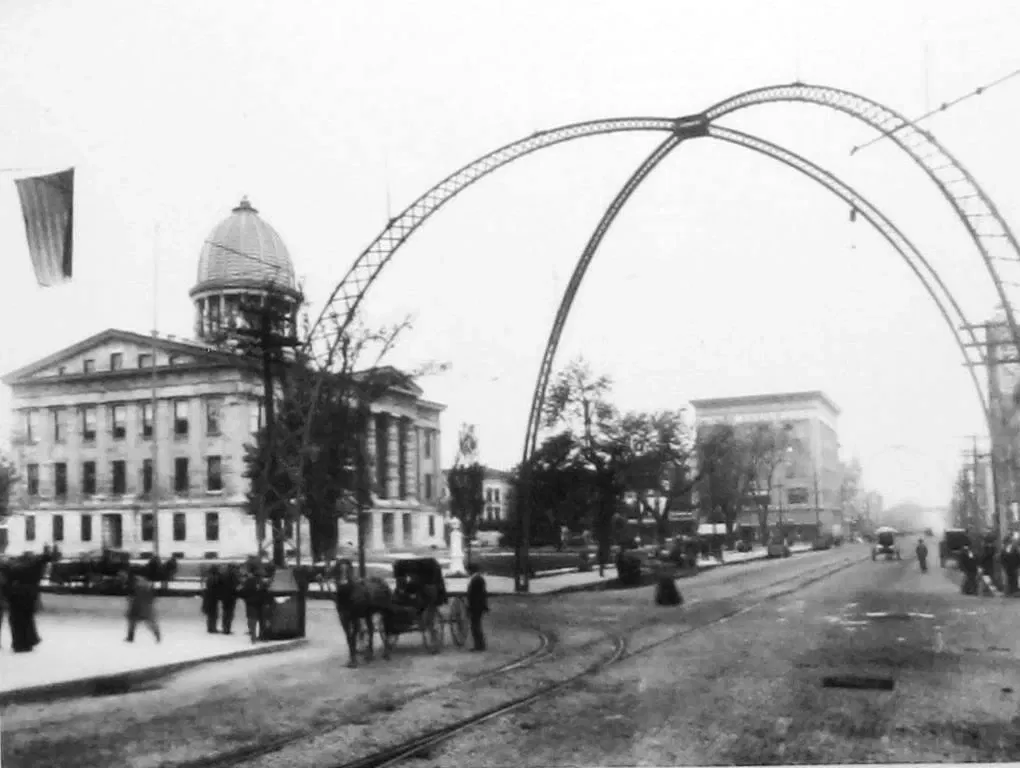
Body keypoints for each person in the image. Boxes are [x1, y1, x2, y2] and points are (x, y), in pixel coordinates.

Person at [125, 572, 161, 643]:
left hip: (144, 609)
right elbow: (132, 598)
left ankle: (157, 636)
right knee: (132, 622)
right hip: (139, 608)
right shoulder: (138, 588)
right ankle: (130, 637)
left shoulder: (146, 588)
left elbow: (132, 598)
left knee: (149, 623)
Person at [466, 563, 489, 652]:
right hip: (478, 605)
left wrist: (470, 606)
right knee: (476, 625)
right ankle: (479, 645)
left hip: (476, 606)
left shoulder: (476, 580)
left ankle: (479, 645)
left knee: (475, 626)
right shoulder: (478, 579)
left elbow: (475, 596)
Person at [219, 564, 240, 634]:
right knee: (229, 613)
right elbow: (236, 585)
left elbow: (220, 584)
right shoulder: (233, 575)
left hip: (224, 596)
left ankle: (224, 628)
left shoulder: (223, 575)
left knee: (225, 613)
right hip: (231, 597)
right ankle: (227, 629)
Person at [202, 565, 222, 633]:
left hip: (209, 597)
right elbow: (217, 586)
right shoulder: (214, 578)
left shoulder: (209, 577)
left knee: (210, 614)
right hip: (213, 598)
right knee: (213, 614)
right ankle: (212, 628)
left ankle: (210, 628)